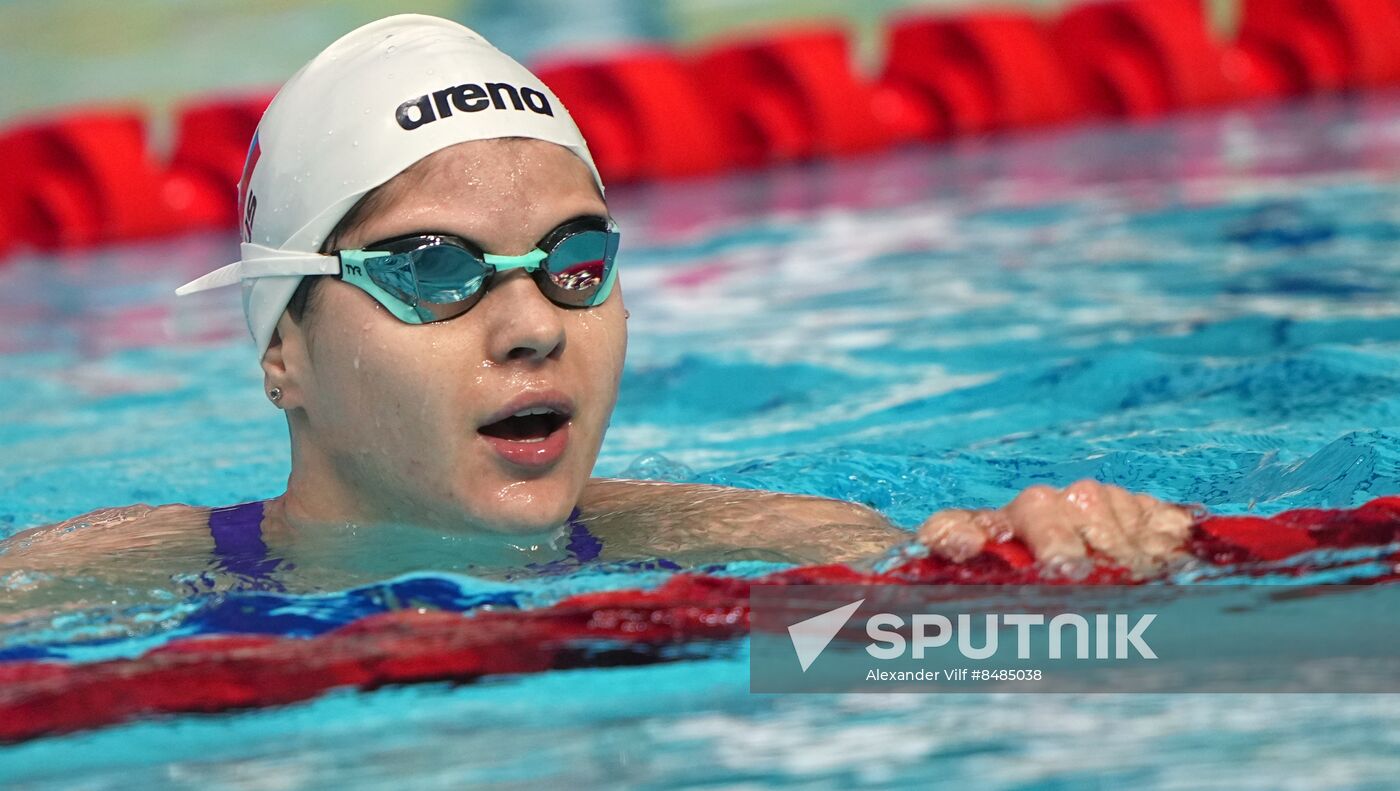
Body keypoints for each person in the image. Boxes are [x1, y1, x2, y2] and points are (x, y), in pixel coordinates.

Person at [0, 15, 1192, 587]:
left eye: (573, 262)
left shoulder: (742, 542)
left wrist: (1056, 551)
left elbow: (983, 626)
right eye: (432, 269)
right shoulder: (91, 585)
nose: (531, 327)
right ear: (282, 354)